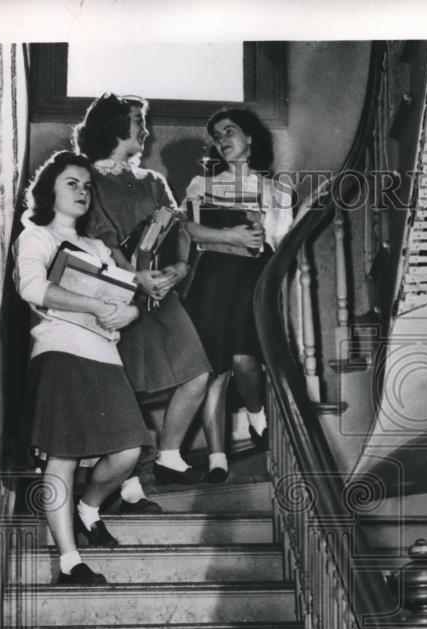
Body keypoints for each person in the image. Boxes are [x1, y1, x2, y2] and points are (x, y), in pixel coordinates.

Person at [14, 150, 151, 585]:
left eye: (87, 186)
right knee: (64, 455)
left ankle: (87, 507)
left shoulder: (96, 247)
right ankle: (69, 559)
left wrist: (127, 313)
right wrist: (95, 304)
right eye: (71, 183)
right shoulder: (35, 237)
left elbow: (127, 299)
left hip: (104, 355)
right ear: (49, 189)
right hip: (59, 350)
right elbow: (34, 288)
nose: (82, 192)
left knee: (128, 449)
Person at [73, 93, 211, 511]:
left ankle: (169, 454)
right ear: (115, 127)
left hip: (162, 293)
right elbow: (98, 241)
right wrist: (132, 277)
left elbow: (179, 229)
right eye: (137, 121)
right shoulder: (87, 180)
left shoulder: (153, 181)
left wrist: (182, 268)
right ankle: (130, 487)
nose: (144, 129)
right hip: (118, 297)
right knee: (123, 391)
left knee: (198, 372)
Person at [181, 107, 292, 483]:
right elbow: (191, 235)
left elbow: (279, 241)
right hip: (212, 283)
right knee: (214, 371)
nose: (222, 140)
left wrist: (261, 230)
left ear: (250, 138)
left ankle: (257, 415)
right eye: (216, 135)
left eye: (229, 131)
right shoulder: (201, 184)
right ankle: (216, 458)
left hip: (251, 280)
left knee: (245, 362)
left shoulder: (276, 189)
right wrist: (229, 236)